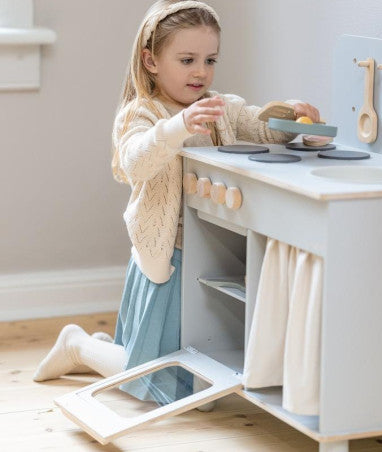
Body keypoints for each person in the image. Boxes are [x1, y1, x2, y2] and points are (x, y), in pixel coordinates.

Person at [33, 0, 320, 406]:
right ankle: (77, 345)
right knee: (155, 381)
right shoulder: (143, 113)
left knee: (198, 373)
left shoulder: (220, 108)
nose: (200, 72)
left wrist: (290, 116)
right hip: (173, 255)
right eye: (187, 60)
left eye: (210, 60)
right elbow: (135, 161)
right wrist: (177, 127)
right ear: (151, 61)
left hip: (213, 248)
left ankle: (107, 348)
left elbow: (260, 127)